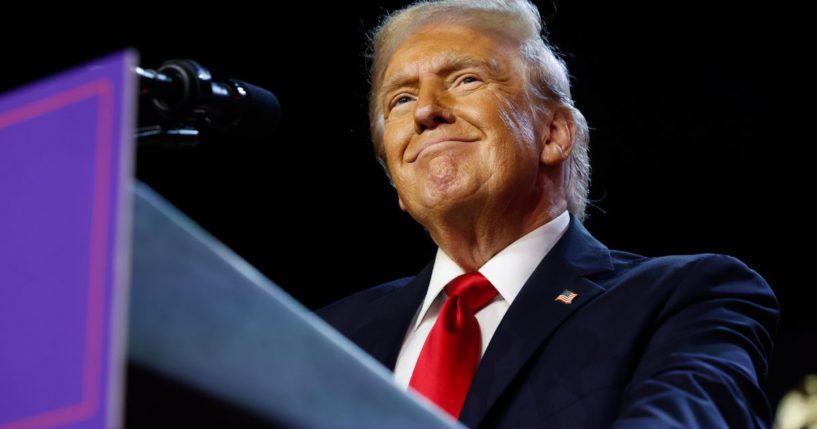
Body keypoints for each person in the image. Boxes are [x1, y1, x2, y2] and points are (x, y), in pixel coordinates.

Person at [318, 0, 779, 427]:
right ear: (395, 178)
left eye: (465, 80)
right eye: (400, 99)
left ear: (554, 134)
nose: (425, 111)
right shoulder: (327, 336)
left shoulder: (682, 300)